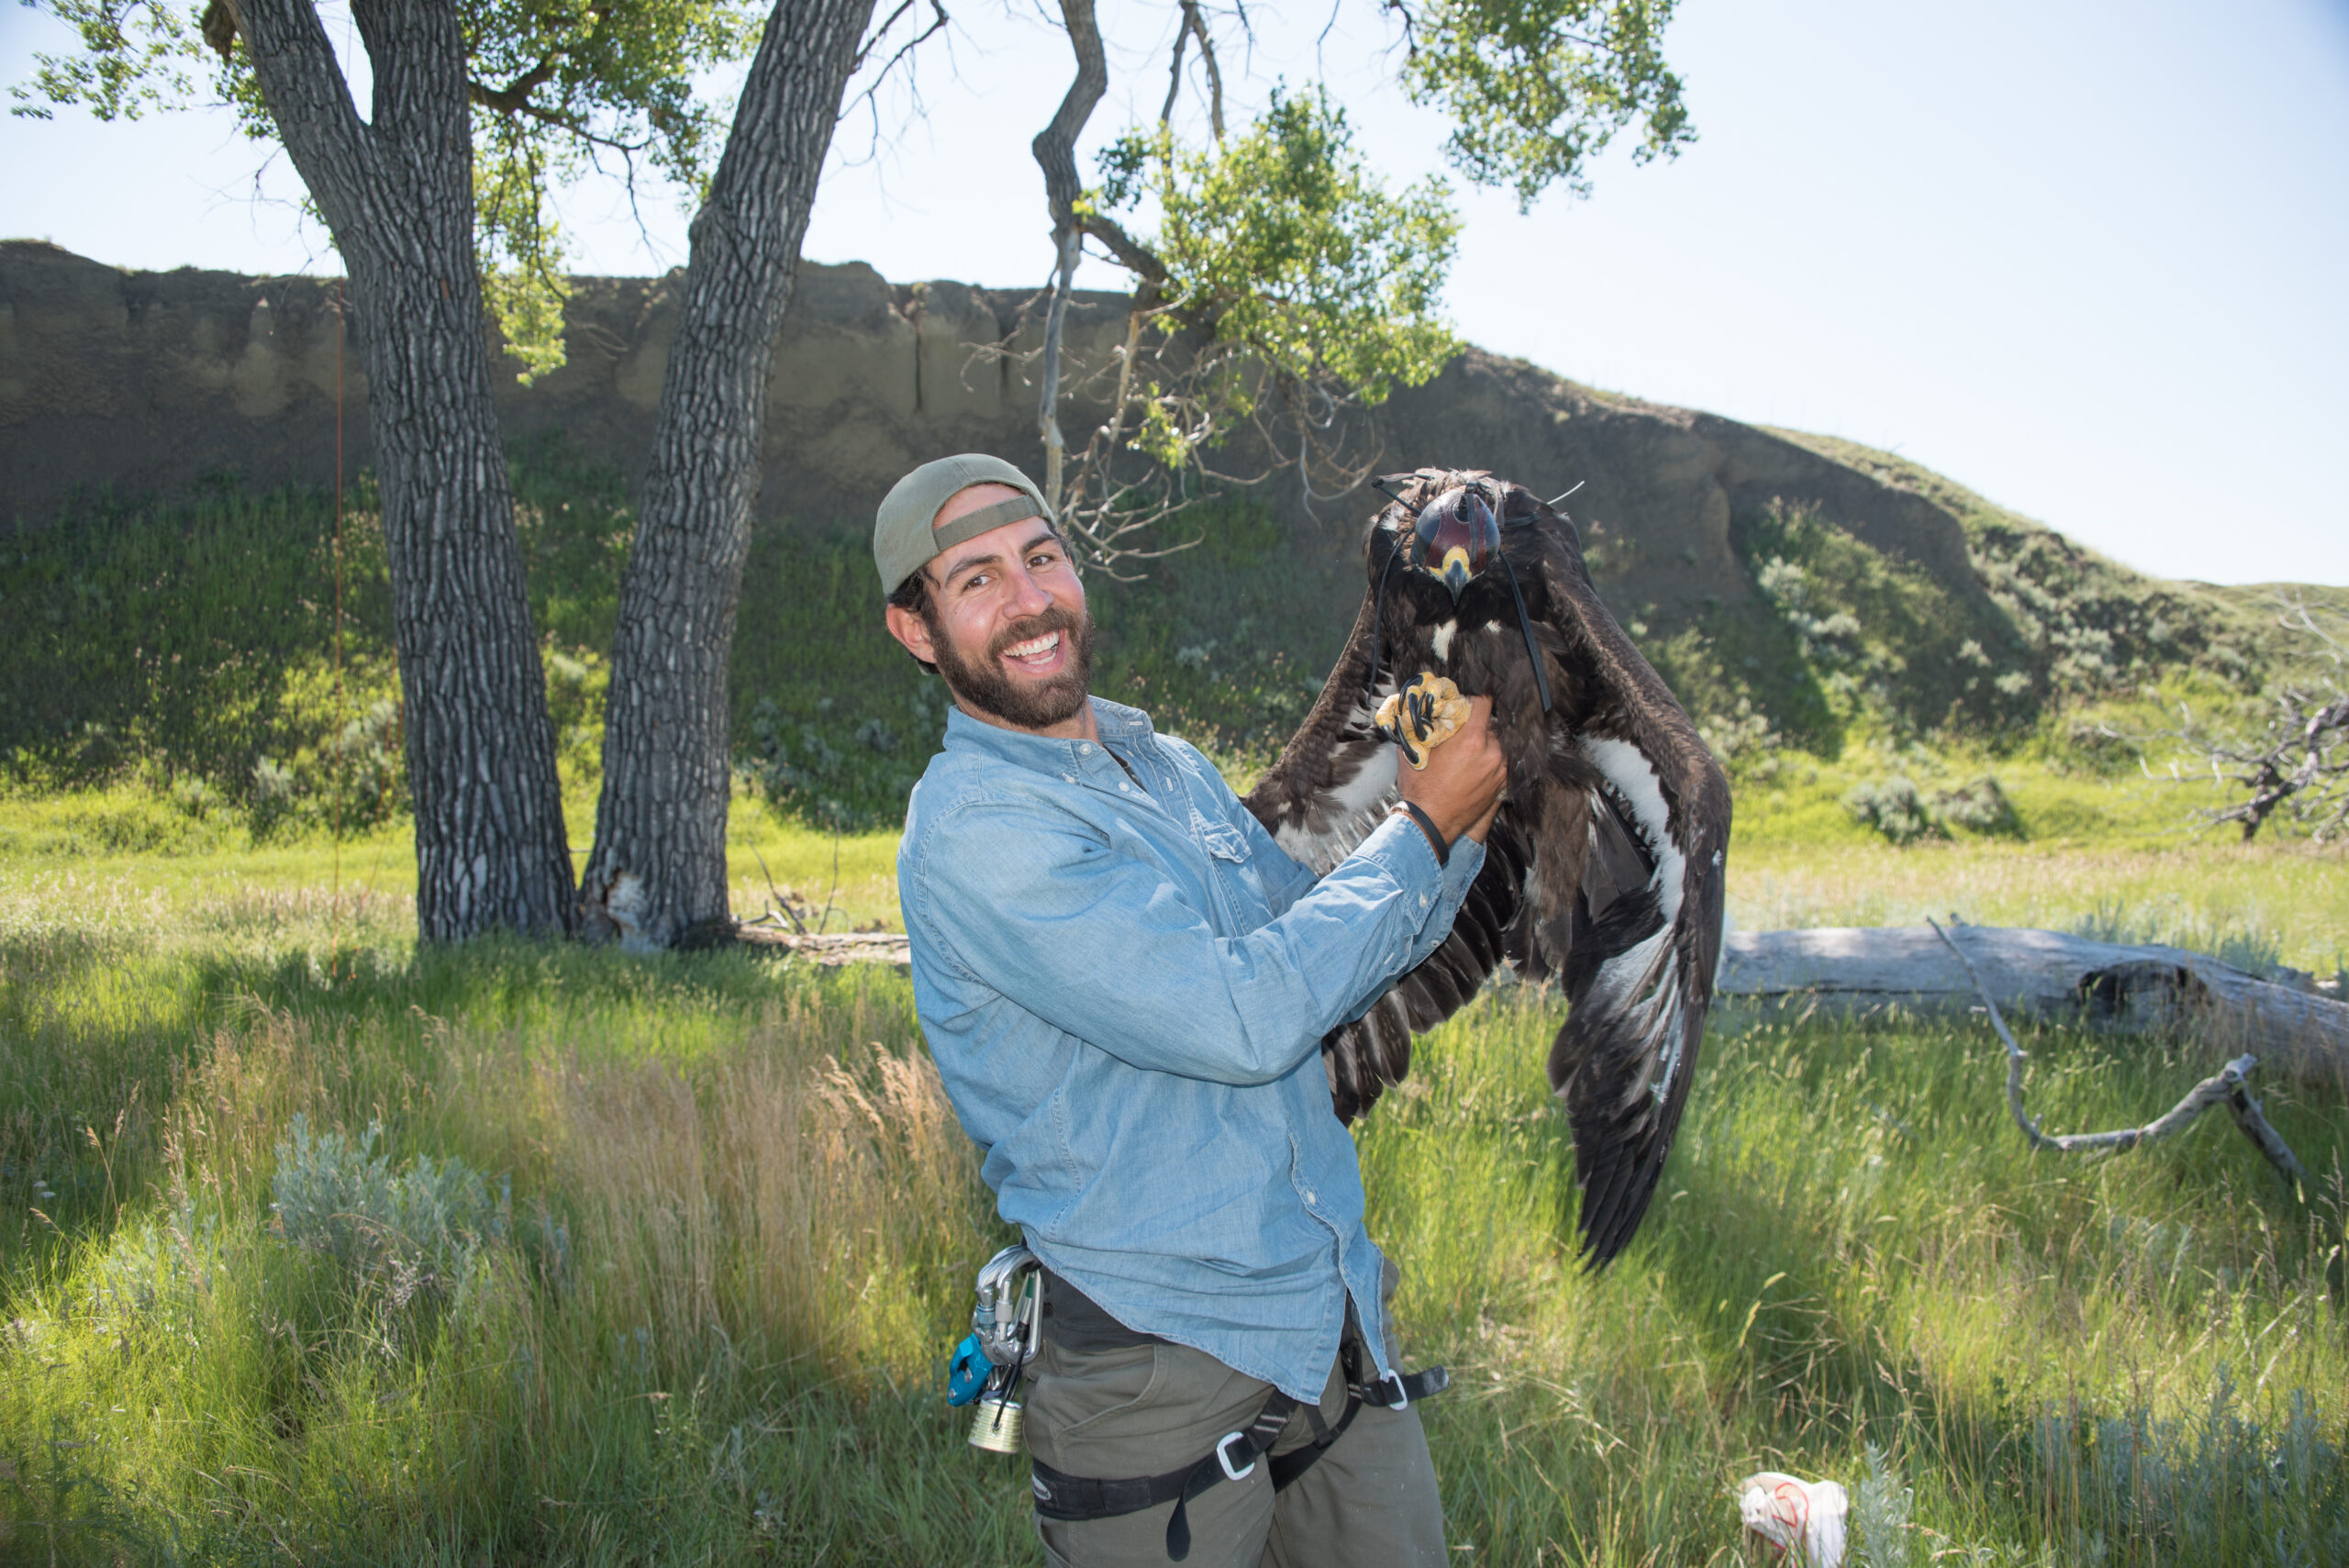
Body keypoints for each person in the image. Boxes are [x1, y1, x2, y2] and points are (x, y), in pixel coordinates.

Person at [878, 453, 1509, 1568]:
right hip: (1154, 1357)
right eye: (973, 580)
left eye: (1040, 557)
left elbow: (1315, 954)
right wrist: (1421, 829)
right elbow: (1243, 1015)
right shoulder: (980, 829)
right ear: (916, 629)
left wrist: (1451, 811)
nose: (1027, 600)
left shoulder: (1161, 765)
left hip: (1326, 1310)